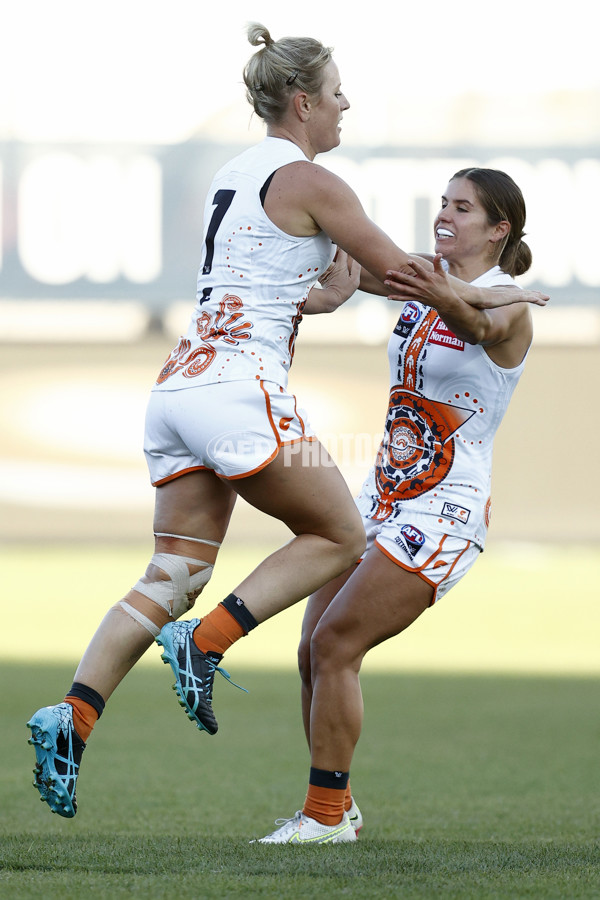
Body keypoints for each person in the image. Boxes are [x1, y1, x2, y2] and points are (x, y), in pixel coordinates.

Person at [27, 22, 547, 822]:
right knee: (339, 535)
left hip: (177, 389)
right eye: (337, 93)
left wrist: (337, 294)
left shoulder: (233, 173)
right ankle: (204, 647)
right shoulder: (313, 180)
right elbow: (400, 270)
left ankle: (75, 715)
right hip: (239, 389)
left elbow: (294, 271)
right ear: (303, 101)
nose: (346, 106)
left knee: (174, 573)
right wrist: (494, 293)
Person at [256, 166, 538, 843]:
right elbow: (361, 258)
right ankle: (335, 807)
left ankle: (325, 819)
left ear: (499, 228)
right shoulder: (424, 277)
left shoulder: (511, 301)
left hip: (444, 512)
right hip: (381, 499)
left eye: (463, 208)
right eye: (443, 202)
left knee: (334, 645)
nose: (445, 214)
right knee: (310, 651)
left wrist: (440, 287)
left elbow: (475, 325)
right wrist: (322, 251)